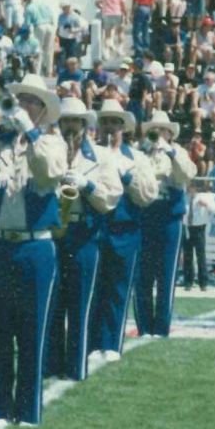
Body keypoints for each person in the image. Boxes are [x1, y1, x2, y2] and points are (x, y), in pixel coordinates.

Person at [0, 74, 68, 425]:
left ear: (42, 110)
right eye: (19, 99)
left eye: (30, 101)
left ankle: (27, 410)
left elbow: (49, 173)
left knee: (31, 330)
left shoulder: (53, 142)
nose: (22, 106)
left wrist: (32, 133)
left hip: (33, 247)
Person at [48, 98, 122, 382]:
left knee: (80, 302)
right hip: (55, 231)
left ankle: (76, 366)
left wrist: (87, 184)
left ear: (84, 124)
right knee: (53, 302)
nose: (70, 127)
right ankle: (51, 363)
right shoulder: (50, 150)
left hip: (84, 233)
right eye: (65, 121)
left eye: (75, 122)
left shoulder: (101, 156)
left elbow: (111, 198)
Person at [90, 100, 158, 363]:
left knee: (119, 289)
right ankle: (94, 342)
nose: (109, 127)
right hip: (97, 226)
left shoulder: (137, 157)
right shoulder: (92, 153)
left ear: (123, 127)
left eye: (114, 122)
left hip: (126, 228)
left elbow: (148, 195)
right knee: (97, 287)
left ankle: (112, 343)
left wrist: (128, 178)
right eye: (105, 121)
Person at [135, 111, 197, 339]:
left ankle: (161, 328)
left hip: (169, 216)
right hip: (145, 214)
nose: (158, 134)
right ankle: (144, 326)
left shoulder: (178, 152)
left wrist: (170, 153)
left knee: (166, 275)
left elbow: (186, 175)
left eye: (162, 130)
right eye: (155, 129)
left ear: (170, 133)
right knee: (142, 275)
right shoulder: (141, 152)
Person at [183, 180, 215, 290]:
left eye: (192, 187)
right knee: (187, 256)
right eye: (189, 186)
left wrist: (206, 205)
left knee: (200, 256)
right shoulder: (184, 198)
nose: (190, 188)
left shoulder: (204, 197)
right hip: (187, 227)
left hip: (199, 228)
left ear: (196, 188)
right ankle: (188, 282)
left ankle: (203, 283)